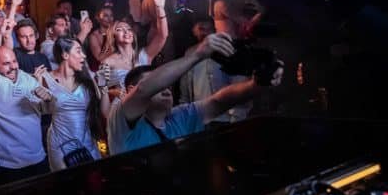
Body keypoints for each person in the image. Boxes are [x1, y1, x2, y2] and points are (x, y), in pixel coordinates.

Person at [108, 33, 283, 155]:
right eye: (158, 84)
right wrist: (198, 55)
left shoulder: (179, 117)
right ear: (130, 91)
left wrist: (256, 84)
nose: (166, 86)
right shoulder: (122, 121)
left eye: (167, 83)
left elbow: (218, 102)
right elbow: (144, 89)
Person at [0, 18, 49, 186]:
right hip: (7, 168)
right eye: (6, 64)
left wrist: (48, 99)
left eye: (14, 61)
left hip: (38, 160)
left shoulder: (27, 78)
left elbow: (45, 109)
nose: (13, 67)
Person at [35, 37, 109, 170]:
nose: (84, 55)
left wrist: (104, 86)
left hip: (86, 141)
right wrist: (39, 86)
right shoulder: (45, 78)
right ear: (65, 54)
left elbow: (105, 112)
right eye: (79, 51)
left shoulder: (88, 78)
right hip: (60, 144)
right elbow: (45, 111)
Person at [100, 0, 169, 93]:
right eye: (120, 29)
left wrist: (160, 9)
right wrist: (114, 93)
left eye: (128, 28)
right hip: (122, 107)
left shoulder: (144, 55)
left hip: (145, 105)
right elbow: (102, 92)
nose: (126, 31)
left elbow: (163, 35)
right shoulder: (108, 62)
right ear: (113, 36)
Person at [86, 4, 114, 70]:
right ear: (98, 18)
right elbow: (100, 58)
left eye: (111, 15)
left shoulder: (116, 32)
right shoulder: (94, 36)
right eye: (106, 16)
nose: (109, 19)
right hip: (100, 71)